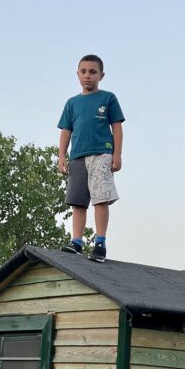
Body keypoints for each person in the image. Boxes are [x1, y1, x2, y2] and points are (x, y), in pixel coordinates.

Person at [57, 54, 125, 263]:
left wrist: (117, 154)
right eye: (84, 71)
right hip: (77, 156)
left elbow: (116, 126)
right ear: (77, 74)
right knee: (77, 201)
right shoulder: (72, 103)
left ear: (101, 75)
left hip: (101, 153)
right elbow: (66, 131)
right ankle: (76, 242)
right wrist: (62, 156)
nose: (88, 76)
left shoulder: (108, 98)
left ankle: (100, 242)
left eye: (93, 72)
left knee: (100, 198)